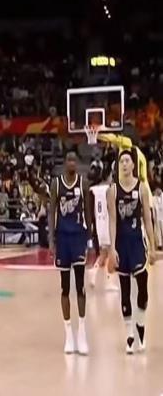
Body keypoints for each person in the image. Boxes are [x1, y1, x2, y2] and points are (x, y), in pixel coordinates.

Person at [107, 150, 156, 354]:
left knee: (142, 285)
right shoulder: (113, 190)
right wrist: (112, 248)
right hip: (121, 243)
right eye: (122, 162)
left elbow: (147, 219)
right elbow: (112, 221)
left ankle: (141, 326)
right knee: (125, 289)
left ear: (133, 165)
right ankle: (129, 335)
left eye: (127, 161)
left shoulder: (142, 188)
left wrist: (153, 246)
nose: (125, 164)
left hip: (137, 242)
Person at [49, 150, 92, 355]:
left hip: (78, 238)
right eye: (69, 160)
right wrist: (51, 239)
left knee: (80, 286)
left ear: (77, 163)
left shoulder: (83, 184)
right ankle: (69, 335)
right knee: (65, 287)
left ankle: (82, 332)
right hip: (63, 239)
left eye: (75, 160)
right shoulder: (56, 184)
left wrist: (90, 238)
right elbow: (52, 212)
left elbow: (88, 213)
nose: (72, 163)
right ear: (65, 163)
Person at [88, 166, 119, 290]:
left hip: (98, 225)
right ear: (109, 176)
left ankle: (94, 273)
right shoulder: (110, 189)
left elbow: (90, 208)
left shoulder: (93, 189)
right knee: (111, 252)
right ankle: (109, 281)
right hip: (107, 224)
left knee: (103, 254)